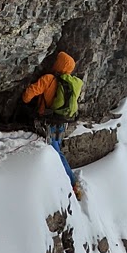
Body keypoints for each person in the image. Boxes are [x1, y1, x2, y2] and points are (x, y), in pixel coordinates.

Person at [21, 51, 83, 199]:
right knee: (57, 148)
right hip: (62, 122)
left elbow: (28, 94)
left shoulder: (49, 79)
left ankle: (72, 182)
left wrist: (26, 103)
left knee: (55, 152)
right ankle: (64, 178)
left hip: (48, 122)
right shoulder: (72, 83)